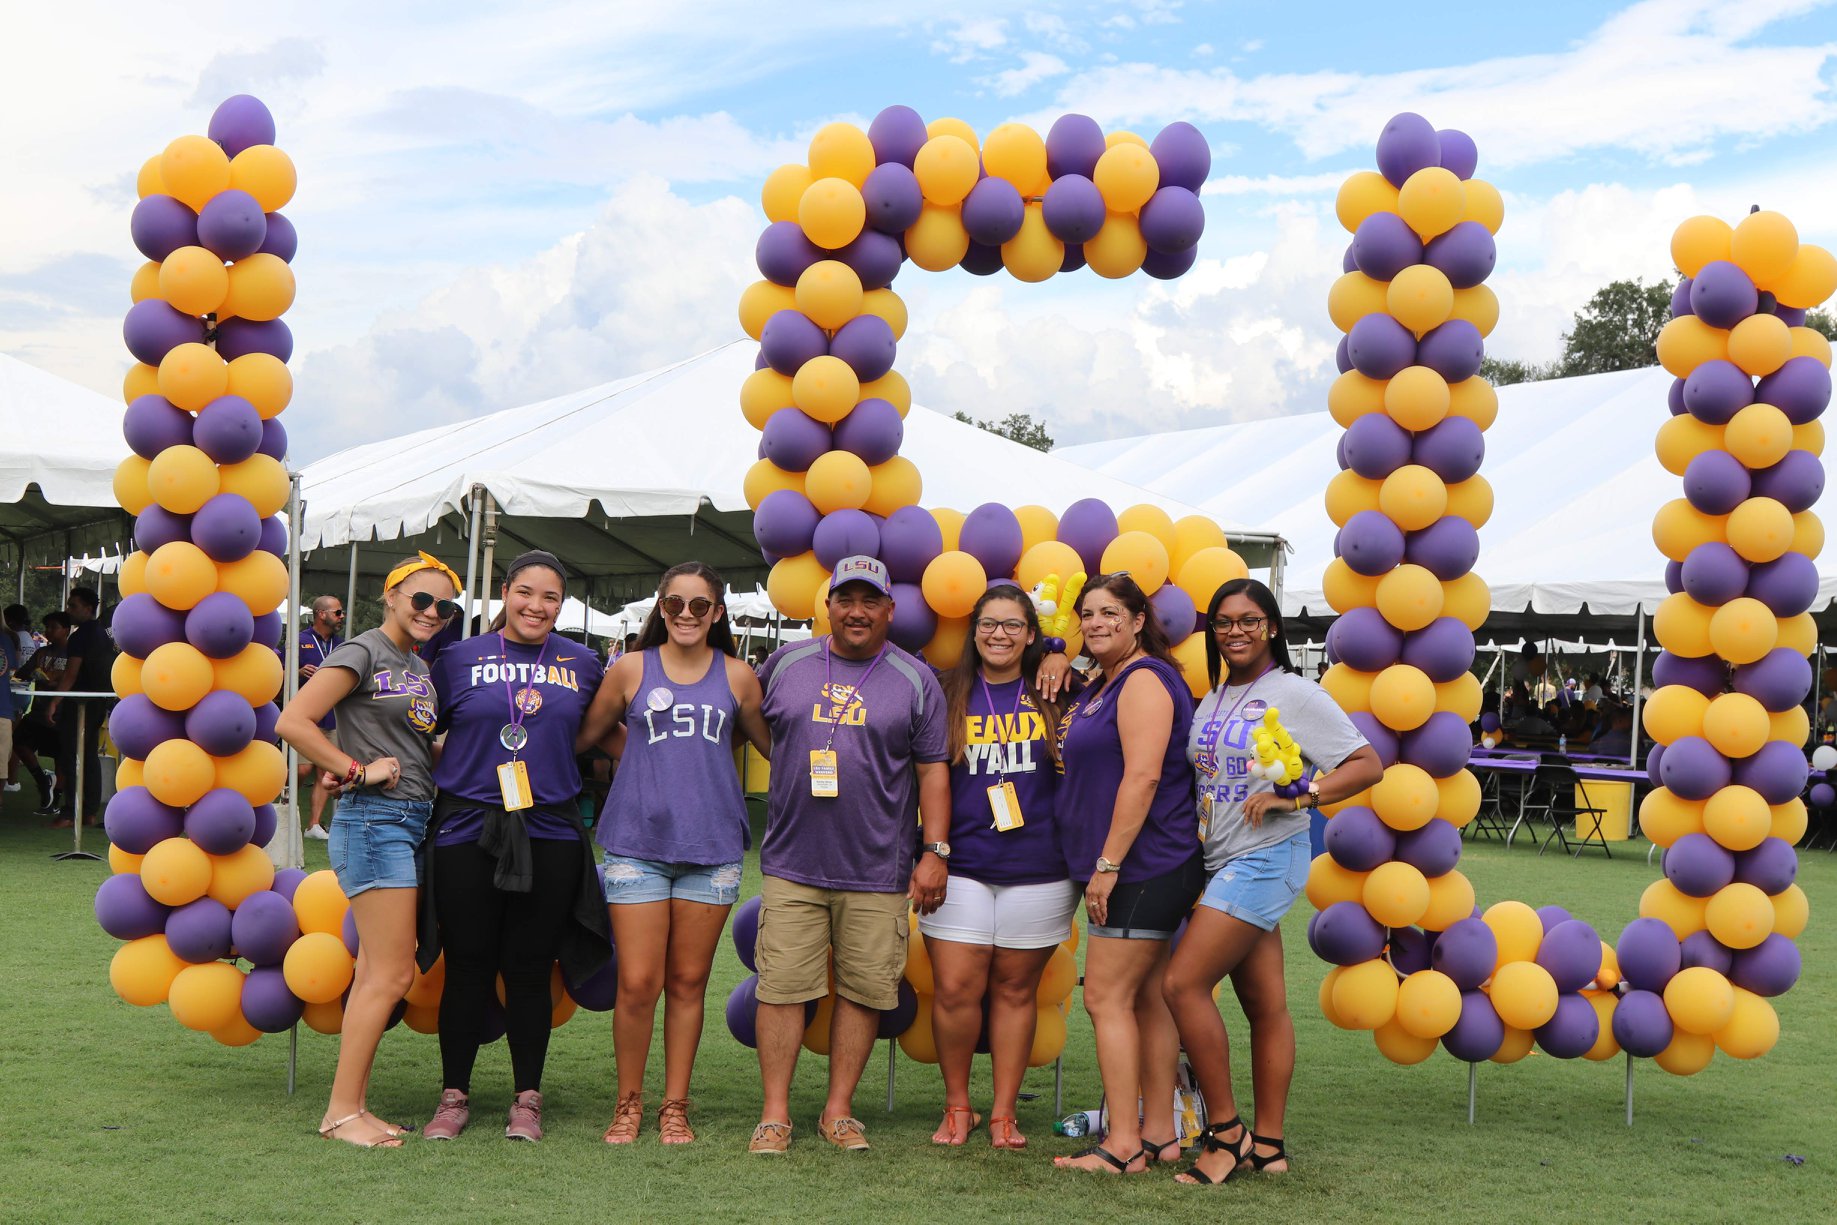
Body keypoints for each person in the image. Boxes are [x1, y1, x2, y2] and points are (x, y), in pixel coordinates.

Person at [1163, 578, 1382, 1184]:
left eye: (1249, 620)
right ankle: (1270, 1146)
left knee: (1182, 984)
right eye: (1225, 621)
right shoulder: (1211, 696)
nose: (1236, 631)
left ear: (1273, 628)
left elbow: (1368, 765)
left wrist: (1303, 795)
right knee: (1265, 1006)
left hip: (1264, 859)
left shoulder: (1294, 694)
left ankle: (1227, 1133)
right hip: (1219, 859)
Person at [748, 555, 948, 1156]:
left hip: (878, 867)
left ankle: (838, 1112)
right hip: (792, 862)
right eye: (846, 600)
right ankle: (775, 1115)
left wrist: (934, 849)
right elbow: (755, 722)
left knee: (864, 990)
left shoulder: (915, 678)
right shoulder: (786, 663)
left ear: (889, 610)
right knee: (780, 987)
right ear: (827, 605)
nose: (856, 612)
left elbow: (933, 770)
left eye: (870, 602)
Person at [418, 551, 612, 1143]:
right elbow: (414, 728)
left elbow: (607, 736)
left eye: (550, 597)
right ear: (506, 592)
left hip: (548, 830)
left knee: (529, 969)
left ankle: (527, 1099)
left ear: (562, 604)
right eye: (526, 592)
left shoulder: (584, 663)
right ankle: (454, 1097)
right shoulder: (455, 658)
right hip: (467, 830)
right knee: (469, 965)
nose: (536, 606)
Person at [579, 562, 770, 1146]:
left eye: (699, 606)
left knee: (689, 982)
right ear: (660, 610)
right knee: (637, 982)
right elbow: (587, 737)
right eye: (675, 605)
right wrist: (639, 755)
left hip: (710, 848)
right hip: (636, 843)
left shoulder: (739, 677)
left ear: (717, 614)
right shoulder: (631, 668)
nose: (686, 615)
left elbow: (763, 743)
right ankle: (628, 1104)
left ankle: (674, 1107)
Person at [275, 552, 461, 1148]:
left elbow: (405, 743)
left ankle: (351, 1107)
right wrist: (353, 769)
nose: (433, 612)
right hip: (377, 820)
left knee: (385, 972)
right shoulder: (362, 650)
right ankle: (340, 1113)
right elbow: (295, 721)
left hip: (406, 819)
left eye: (444, 607)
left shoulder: (415, 665)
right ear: (392, 597)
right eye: (422, 600)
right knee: (389, 973)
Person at [1051, 573, 1204, 1176]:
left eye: (1110, 612)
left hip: (1144, 865)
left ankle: (1122, 1144)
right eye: (1086, 614)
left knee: (1104, 996)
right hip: (1149, 864)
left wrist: (1107, 866)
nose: (1095, 623)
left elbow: (1141, 778)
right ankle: (1162, 1133)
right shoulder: (1106, 681)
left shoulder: (1142, 680)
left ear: (1140, 620)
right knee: (1146, 998)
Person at [920, 584, 1070, 1150]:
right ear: (973, 630)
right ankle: (958, 1106)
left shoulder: (1055, 688)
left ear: (1031, 634)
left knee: (1015, 991)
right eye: (988, 623)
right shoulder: (946, 691)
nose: (999, 634)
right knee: (956, 989)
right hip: (960, 864)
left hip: (1040, 867)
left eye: (1013, 625)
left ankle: (1004, 1112)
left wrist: (1058, 650)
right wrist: (930, 853)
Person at [46, 587, 113, 828]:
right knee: (89, 756)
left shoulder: (80, 637)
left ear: (87, 607)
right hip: (99, 700)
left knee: (72, 755)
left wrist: (54, 701)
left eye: (72, 605)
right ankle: (89, 811)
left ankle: (69, 812)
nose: (68, 609)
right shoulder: (103, 634)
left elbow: (71, 674)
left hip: (79, 702)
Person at [295, 596, 347, 840]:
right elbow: (278, 674)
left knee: (325, 772)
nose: (342, 617)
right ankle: (287, 807)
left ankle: (313, 826)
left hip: (333, 716)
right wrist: (297, 671)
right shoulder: (300, 640)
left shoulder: (342, 644)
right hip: (306, 717)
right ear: (320, 614)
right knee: (302, 769)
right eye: (337, 613)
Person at [19, 612, 71, 814]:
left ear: (65, 630)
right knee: (19, 742)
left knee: (60, 756)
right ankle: (43, 780)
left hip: (62, 712)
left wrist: (57, 682)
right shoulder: (42, 652)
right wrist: (35, 674)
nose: (48, 631)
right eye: (47, 627)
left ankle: (54, 800)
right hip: (39, 711)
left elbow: (74, 677)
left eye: (53, 627)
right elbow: (21, 672)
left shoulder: (72, 653)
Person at [4, 604, 39, 795]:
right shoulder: (27, 637)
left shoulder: (13, 637)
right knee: (12, 739)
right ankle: (12, 780)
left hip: (14, 691)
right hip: (24, 692)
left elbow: (13, 667)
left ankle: (11, 779)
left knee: (9, 740)